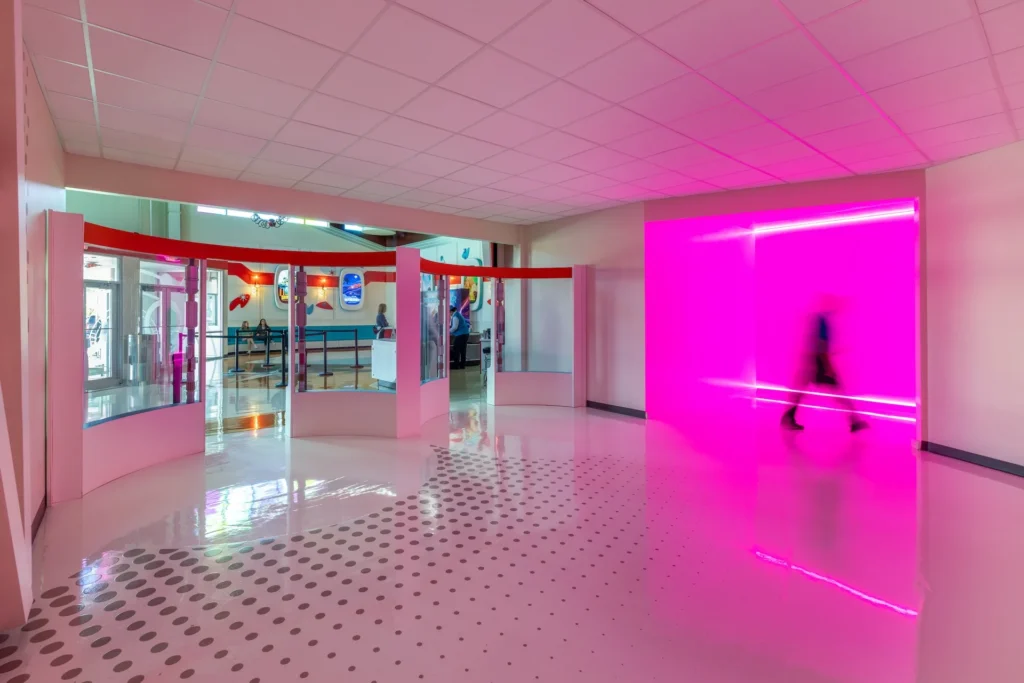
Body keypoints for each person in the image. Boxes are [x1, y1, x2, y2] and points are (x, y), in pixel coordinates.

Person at [781, 296, 868, 433]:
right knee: (838, 392)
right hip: (818, 362)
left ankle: (788, 418)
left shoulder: (819, 319)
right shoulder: (822, 321)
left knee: (802, 392)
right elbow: (821, 346)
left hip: (813, 361)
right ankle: (854, 421)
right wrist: (827, 366)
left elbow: (817, 344)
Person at [449, 305, 470, 370]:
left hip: (461, 335)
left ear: (450, 311)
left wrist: (448, 331)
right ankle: (462, 365)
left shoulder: (455, 316)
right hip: (465, 334)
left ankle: (456, 366)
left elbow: (455, 327)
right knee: (462, 350)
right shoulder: (458, 314)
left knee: (456, 350)